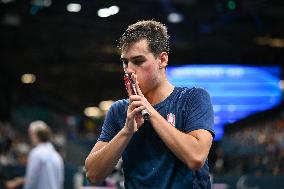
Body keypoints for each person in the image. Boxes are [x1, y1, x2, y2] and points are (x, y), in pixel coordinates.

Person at [85, 20, 215, 189]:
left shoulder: (193, 98)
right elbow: (92, 174)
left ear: (162, 59)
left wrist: (150, 112)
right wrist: (126, 132)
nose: (129, 70)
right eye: (125, 62)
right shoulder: (119, 110)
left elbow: (196, 157)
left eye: (138, 61)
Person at [5, 120, 64, 189]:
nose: (30, 137)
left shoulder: (36, 153)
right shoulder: (57, 156)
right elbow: (60, 181)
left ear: (35, 135)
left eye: (30, 134)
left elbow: (31, 179)